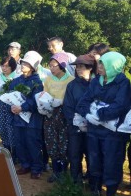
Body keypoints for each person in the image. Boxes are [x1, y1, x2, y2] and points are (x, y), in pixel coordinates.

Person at [76, 51, 130, 196]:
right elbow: (83, 102)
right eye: (100, 63)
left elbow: (120, 106)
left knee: (112, 161)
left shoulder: (123, 83)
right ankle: (95, 189)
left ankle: (111, 194)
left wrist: (99, 114)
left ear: (114, 66)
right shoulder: (96, 81)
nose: (99, 66)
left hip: (113, 133)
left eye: (103, 64)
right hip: (94, 130)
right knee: (94, 159)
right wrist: (88, 114)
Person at [9, 51, 44, 179]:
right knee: (20, 142)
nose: (23, 65)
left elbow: (36, 99)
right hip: (18, 118)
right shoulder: (16, 80)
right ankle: (25, 164)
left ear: (32, 67)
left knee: (32, 143)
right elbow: (10, 93)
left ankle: (36, 168)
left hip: (32, 119)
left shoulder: (37, 82)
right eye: (23, 62)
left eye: (26, 63)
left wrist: (22, 107)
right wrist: (12, 106)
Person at [63, 54, 96, 183]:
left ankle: (92, 182)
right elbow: (67, 106)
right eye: (77, 66)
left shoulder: (96, 84)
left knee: (92, 155)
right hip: (75, 127)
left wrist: (91, 121)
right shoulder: (71, 86)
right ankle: (75, 182)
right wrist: (76, 122)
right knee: (74, 154)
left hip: (93, 126)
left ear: (90, 68)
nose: (78, 69)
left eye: (81, 66)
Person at [43, 53, 75, 183]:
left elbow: (71, 99)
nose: (51, 68)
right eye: (49, 66)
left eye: (54, 66)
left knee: (64, 143)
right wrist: (44, 105)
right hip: (50, 114)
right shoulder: (48, 79)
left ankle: (63, 171)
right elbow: (44, 94)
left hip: (64, 115)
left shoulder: (71, 80)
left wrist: (61, 101)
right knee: (51, 142)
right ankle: (55, 171)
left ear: (62, 65)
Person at [0, 57, 19, 159]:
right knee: (3, 129)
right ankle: (7, 152)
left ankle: (16, 155)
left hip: (12, 106)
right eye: (2, 66)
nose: (4, 68)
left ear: (12, 67)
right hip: (1, 105)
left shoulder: (18, 77)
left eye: (7, 66)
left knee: (12, 129)